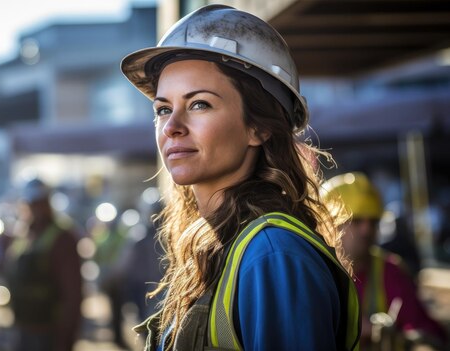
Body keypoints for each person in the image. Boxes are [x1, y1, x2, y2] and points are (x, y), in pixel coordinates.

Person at [121, 4, 361, 350]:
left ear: (259, 126)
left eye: (199, 104)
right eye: (162, 109)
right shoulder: (219, 244)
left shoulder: (274, 256)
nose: (172, 127)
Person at [322, 172, 448, 350]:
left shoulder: (390, 272)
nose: (367, 230)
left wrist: (404, 339)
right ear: (329, 225)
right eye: (356, 221)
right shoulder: (314, 272)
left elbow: (428, 333)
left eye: (373, 221)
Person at [5, 179, 82, 351]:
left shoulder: (63, 239)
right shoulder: (22, 237)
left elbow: (73, 294)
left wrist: (66, 337)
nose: (36, 208)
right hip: (23, 327)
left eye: (40, 203)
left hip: (49, 332)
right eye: (32, 203)